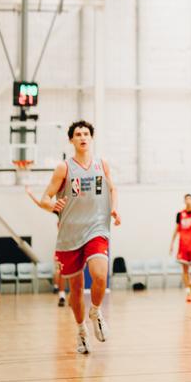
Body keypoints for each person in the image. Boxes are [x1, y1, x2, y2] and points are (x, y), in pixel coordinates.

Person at [39, 120, 120, 354]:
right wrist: (53, 205)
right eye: (78, 134)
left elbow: (112, 188)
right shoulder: (63, 168)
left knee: (99, 276)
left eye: (86, 133)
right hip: (70, 234)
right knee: (75, 289)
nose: (83, 137)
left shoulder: (101, 164)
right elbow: (45, 198)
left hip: (96, 228)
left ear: (91, 138)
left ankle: (95, 310)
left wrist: (114, 208)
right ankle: (81, 331)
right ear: (71, 140)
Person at [25, 186, 69, 306]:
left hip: (75, 243)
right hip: (62, 245)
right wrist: (30, 194)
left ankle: (74, 295)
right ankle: (61, 295)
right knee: (60, 271)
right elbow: (41, 204)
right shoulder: (59, 209)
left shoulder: (76, 209)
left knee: (74, 272)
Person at [170, 193, 191, 303]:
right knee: (185, 270)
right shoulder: (180, 214)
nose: (188, 200)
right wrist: (172, 243)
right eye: (186, 198)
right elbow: (176, 229)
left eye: (190, 198)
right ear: (184, 201)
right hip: (183, 245)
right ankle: (188, 292)